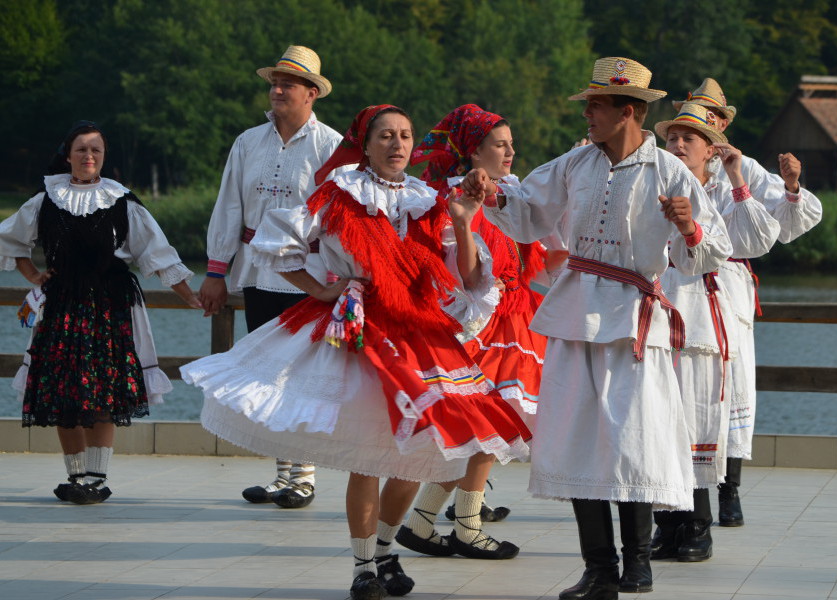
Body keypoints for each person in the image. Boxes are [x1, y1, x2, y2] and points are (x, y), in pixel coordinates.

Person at [182, 105, 532, 600]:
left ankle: (387, 550)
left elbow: (473, 279)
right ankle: (364, 565)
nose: (397, 144)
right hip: (361, 329)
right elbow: (277, 243)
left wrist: (465, 220)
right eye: (386, 136)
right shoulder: (339, 193)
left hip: (419, 329)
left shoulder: (430, 201)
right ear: (364, 145)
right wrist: (321, 291)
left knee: (422, 454)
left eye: (406, 136)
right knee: (368, 458)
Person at [462, 57, 733, 600]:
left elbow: (710, 253)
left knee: (633, 440)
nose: (587, 114)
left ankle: (638, 565)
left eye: (596, 105)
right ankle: (599, 569)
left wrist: (689, 226)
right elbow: (530, 210)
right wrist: (490, 192)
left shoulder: (670, 172)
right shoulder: (576, 164)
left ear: (627, 111)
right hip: (576, 311)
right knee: (578, 437)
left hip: (635, 318)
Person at [0, 120, 201, 505]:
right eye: (82, 149)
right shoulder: (45, 199)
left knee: (102, 392)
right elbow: (10, 241)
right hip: (60, 306)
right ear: (68, 155)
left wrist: (189, 295)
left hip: (108, 307)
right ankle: (75, 477)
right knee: (63, 395)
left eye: (96, 150)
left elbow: (156, 253)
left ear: (103, 157)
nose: (89, 156)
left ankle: (97, 477)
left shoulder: (122, 201)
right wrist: (35, 276)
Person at [395, 104, 550, 559]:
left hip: (517, 316)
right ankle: (466, 527)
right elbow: (464, 277)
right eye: (500, 145)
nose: (510, 151)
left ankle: (422, 523)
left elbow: (537, 259)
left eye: (510, 143)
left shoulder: (510, 194)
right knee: (492, 428)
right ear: (474, 151)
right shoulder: (452, 199)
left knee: (487, 431)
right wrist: (464, 222)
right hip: (484, 323)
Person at [672, 77, 822, 526]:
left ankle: (729, 490)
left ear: (720, 126)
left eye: (710, 119)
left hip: (729, 282)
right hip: (680, 281)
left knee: (732, 385)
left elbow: (783, 224)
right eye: (692, 121)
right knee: (688, 387)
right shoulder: (672, 166)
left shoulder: (745, 168)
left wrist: (791, 185)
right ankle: (681, 498)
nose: (700, 129)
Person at [198, 45, 343, 509]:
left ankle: (303, 477)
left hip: (310, 275)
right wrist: (217, 271)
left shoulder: (333, 148)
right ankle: (284, 474)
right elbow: (228, 207)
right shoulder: (248, 142)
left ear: (312, 93)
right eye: (274, 82)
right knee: (266, 374)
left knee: (302, 373)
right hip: (259, 272)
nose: (278, 89)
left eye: (289, 83)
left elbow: (342, 220)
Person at [651, 103, 781, 562]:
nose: (679, 145)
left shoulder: (722, 191)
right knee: (658, 420)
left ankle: (698, 524)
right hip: (656, 312)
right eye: (672, 138)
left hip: (703, 315)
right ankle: (666, 524)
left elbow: (759, 240)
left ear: (710, 148)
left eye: (690, 138)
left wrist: (740, 180)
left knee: (696, 417)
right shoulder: (651, 184)